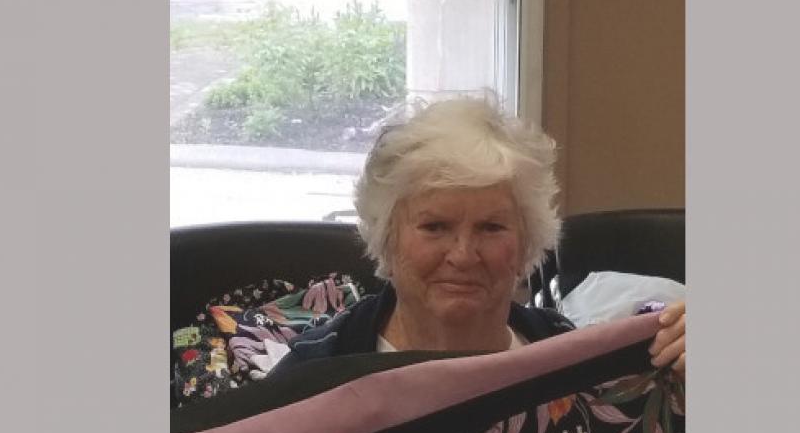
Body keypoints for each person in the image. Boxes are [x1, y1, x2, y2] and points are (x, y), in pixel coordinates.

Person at [269, 98, 685, 378]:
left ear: (526, 242)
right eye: (435, 227)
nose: (464, 255)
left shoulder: (572, 360)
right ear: (387, 237)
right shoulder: (313, 375)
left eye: (491, 227)